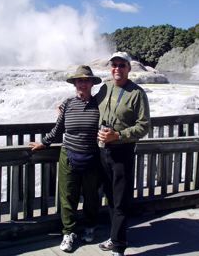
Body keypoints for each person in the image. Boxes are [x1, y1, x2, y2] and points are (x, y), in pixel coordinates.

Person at [29, 65, 102, 253]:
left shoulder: (100, 105)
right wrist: (44, 143)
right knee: (68, 197)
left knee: (91, 197)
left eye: (86, 80)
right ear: (74, 83)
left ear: (92, 84)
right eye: (79, 80)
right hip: (68, 156)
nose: (82, 84)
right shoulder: (68, 104)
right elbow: (58, 129)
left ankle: (90, 226)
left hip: (92, 158)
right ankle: (68, 233)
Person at [96, 52, 150, 256]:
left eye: (121, 65)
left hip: (122, 152)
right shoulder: (104, 87)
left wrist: (118, 135)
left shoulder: (137, 93)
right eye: (114, 65)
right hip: (103, 151)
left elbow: (144, 126)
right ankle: (114, 237)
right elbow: (92, 109)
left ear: (129, 68)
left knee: (120, 200)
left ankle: (118, 247)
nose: (117, 68)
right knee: (110, 197)